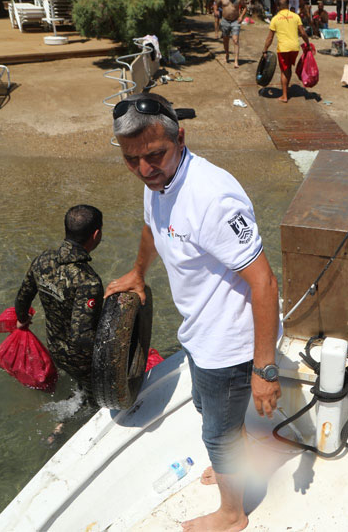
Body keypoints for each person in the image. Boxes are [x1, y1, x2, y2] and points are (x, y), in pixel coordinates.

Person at [107, 93, 281, 532]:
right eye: (132, 161)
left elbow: (264, 282)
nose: (145, 169)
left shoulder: (213, 198)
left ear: (180, 137)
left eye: (155, 156)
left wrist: (265, 369)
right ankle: (233, 463)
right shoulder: (156, 185)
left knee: (216, 434)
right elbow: (152, 225)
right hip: (198, 335)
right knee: (211, 413)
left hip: (230, 342)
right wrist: (137, 272)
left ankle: (232, 512)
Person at [15, 205, 104, 402]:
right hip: (80, 360)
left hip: (54, 349)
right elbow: (82, 336)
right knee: (95, 401)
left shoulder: (42, 261)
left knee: (79, 391)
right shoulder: (88, 281)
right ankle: (63, 428)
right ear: (96, 234)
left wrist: (22, 320)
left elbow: (22, 298)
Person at [263, 0, 311, 103]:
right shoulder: (295, 16)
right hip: (294, 48)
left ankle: (284, 96)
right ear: (288, 5)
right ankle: (287, 88)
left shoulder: (275, 19)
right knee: (288, 68)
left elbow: (270, 38)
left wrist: (265, 50)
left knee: (284, 71)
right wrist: (307, 44)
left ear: (278, 6)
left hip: (283, 49)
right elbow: (303, 33)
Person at [215, 0, 247, 68]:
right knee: (225, 40)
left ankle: (236, 61)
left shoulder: (239, 0)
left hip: (235, 21)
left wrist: (241, 16)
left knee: (235, 40)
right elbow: (216, 4)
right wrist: (216, 11)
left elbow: (244, 7)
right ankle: (227, 54)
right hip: (225, 21)